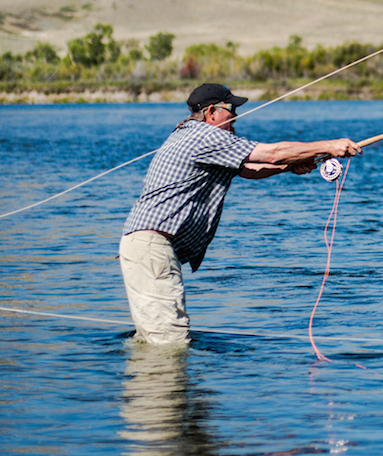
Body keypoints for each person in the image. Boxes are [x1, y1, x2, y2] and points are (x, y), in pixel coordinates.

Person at [120, 83, 361, 345]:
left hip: (146, 247)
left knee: (152, 338)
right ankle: (164, 383)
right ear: (211, 112)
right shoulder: (203, 136)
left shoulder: (192, 136)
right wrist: (329, 145)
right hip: (151, 247)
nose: (237, 117)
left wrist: (290, 167)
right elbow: (272, 152)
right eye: (232, 109)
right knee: (170, 341)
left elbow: (251, 169)